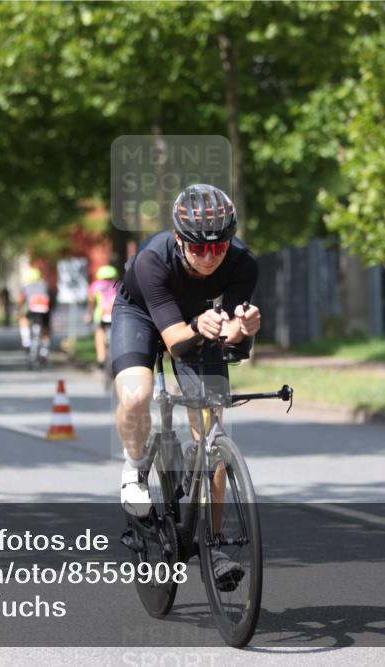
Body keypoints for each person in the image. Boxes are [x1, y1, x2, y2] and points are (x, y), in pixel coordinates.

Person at [110, 184, 261, 588]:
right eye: (199, 248)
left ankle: (215, 544)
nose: (210, 257)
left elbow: (231, 329)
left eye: (220, 248)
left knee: (210, 434)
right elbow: (176, 342)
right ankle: (135, 465)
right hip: (141, 315)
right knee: (137, 394)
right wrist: (199, 326)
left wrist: (243, 328)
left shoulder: (244, 262)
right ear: (179, 239)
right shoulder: (152, 260)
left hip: (196, 321)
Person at [86, 264, 119, 368]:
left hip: (101, 314)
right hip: (115, 313)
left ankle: (101, 358)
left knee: (99, 332)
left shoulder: (96, 285)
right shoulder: (117, 284)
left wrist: (89, 314)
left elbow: (91, 302)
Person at [18, 266, 51, 358]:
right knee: (46, 327)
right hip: (45, 310)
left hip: (32, 310)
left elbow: (21, 300)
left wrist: (19, 310)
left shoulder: (26, 286)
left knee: (23, 319)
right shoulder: (44, 285)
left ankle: (26, 341)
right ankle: (45, 348)